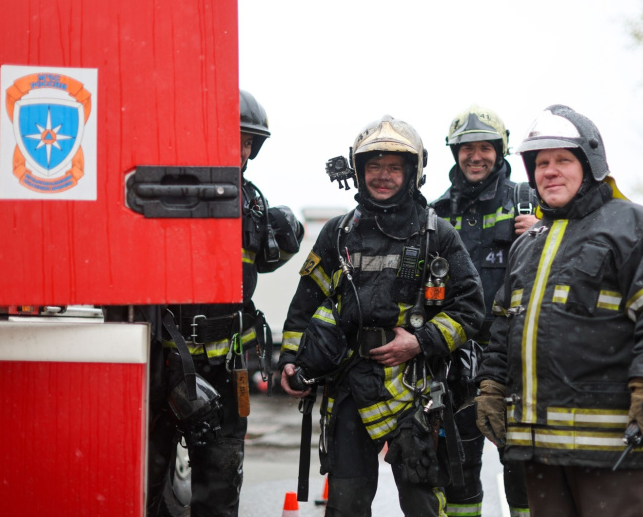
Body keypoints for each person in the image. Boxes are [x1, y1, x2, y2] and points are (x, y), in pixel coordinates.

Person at [474, 104, 643, 517]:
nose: (549, 171)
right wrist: (492, 387)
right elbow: (504, 325)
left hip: (611, 445)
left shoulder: (638, 229)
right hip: (538, 450)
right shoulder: (527, 244)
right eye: (541, 163)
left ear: (590, 163)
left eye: (563, 160)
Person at [106, 89, 305, 517]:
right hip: (161, 367)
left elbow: (269, 259)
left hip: (228, 372)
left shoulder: (254, 206)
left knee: (219, 493)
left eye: (248, 142)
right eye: (233, 138)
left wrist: (289, 229)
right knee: (142, 491)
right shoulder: (166, 196)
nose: (241, 149)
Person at [279, 115, 486, 517]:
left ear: (413, 173)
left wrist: (420, 342)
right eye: (374, 166)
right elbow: (305, 303)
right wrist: (290, 359)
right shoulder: (338, 233)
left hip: (415, 391)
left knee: (422, 503)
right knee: (346, 504)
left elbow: (470, 308)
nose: (383, 176)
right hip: (349, 386)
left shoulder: (438, 234)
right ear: (358, 171)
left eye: (394, 167)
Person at [431, 105, 536, 517]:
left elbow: (569, 254)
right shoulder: (437, 212)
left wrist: (542, 231)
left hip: (513, 356)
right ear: (454, 153)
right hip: (455, 358)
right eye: (466, 148)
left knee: (523, 465)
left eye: (485, 148)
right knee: (457, 467)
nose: (476, 157)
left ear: (500, 150)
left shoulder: (528, 202)